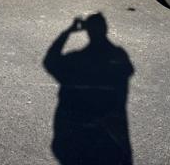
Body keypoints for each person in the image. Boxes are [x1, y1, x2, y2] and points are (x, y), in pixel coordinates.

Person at [44, 13, 134, 165]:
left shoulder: (75, 59)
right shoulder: (119, 55)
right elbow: (129, 70)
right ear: (105, 30)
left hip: (78, 134)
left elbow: (50, 61)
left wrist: (67, 32)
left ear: (87, 31)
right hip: (112, 136)